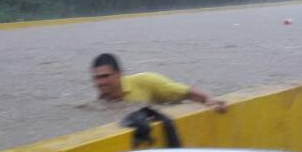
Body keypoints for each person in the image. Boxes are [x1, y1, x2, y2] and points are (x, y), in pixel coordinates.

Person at [91, 53, 227, 112]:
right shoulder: (102, 99)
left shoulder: (146, 82)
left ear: (119, 73)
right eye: (97, 78)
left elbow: (184, 91)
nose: (100, 82)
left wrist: (208, 99)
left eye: (105, 76)